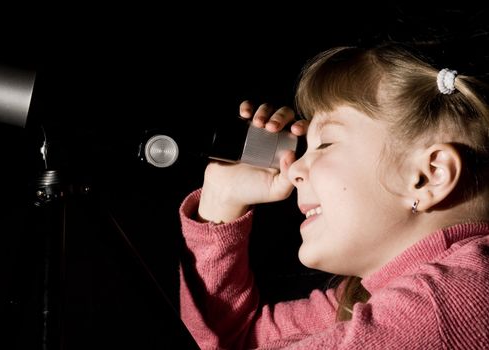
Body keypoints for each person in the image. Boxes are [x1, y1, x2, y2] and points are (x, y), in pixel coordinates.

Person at [177, 42, 489, 349]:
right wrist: (221, 201)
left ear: (430, 175)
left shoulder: (446, 303)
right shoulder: (367, 297)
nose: (294, 168)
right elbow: (235, 340)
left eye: (325, 144)